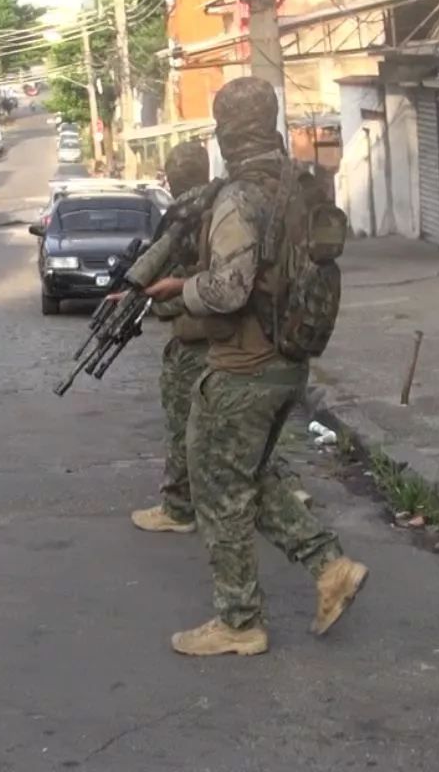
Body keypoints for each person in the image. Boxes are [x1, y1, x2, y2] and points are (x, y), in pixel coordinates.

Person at [143, 77, 368, 657]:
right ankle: (328, 566)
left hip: (244, 364)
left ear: (223, 132)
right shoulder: (300, 183)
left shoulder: (239, 197)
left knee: (216, 485)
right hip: (290, 360)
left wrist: (179, 287)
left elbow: (229, 287)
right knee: (249, 475)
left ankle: (238, 621)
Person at [130, 142, 313, 535]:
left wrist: (160, 299)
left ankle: (180, 507)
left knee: (194, 431)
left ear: (170, 177)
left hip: (205, 339)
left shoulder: (186, 217)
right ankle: (288, 491)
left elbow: (205, 288)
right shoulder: (224, 200)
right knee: (249, 431)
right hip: (248, 339)